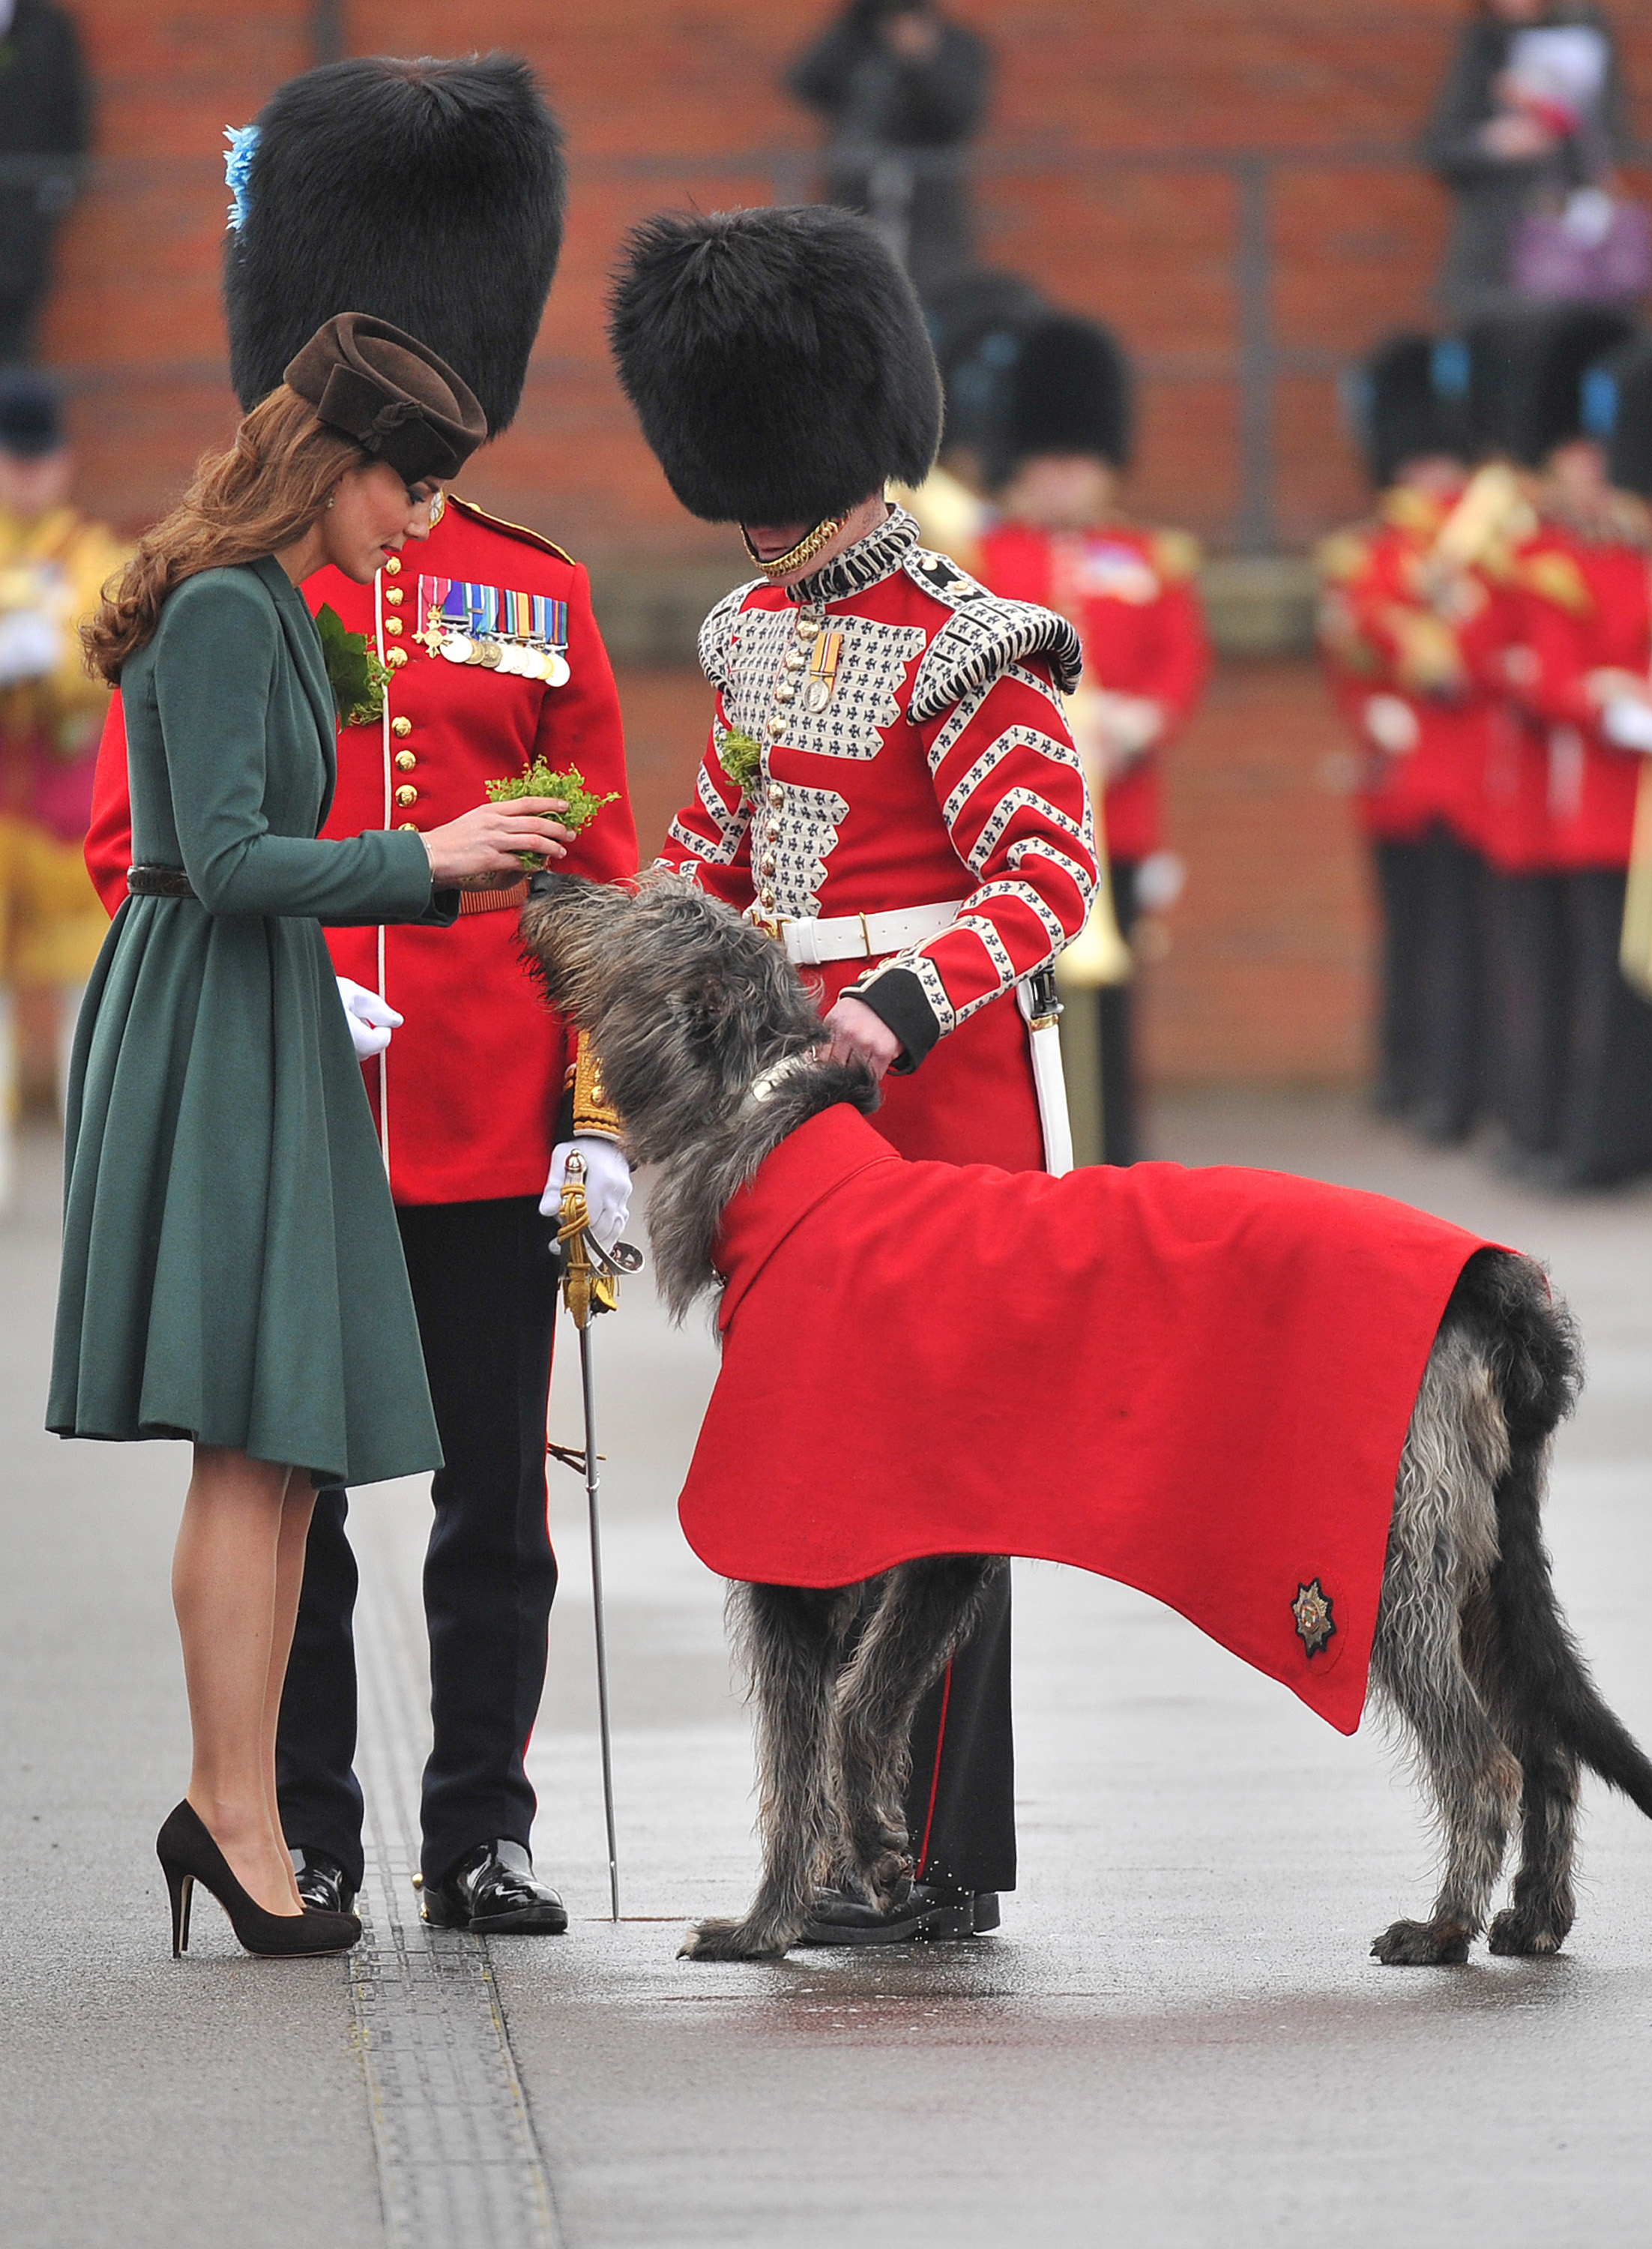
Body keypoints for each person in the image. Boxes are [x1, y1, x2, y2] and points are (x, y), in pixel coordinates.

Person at [82, 55, 639, 1936]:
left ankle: (477, 1823)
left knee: (494, 1513)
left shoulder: (532, 597)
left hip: (485, 1106)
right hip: (297, 1099)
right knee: (294, 1502)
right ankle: (298, 1822)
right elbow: (134, 841)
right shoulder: (233, 589)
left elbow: (598, 882)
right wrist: (308, 981)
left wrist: (599, 1117)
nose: (417, 506)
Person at [610, 202, 1094, 1941]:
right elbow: (710, 855)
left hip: (938, 1107)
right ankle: (825, 1830)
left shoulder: (978, 643)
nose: (755, 510)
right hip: (785, 1120)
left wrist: (892, 1000)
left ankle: (926, 1849)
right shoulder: (749, 634)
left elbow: (1045, 887)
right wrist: (618, 1057)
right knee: (818, 1463)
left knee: (944, 1482)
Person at [975, 314, 1212, 1164]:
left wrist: (1140, 721)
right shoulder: (986, 558)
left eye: (1077, 462)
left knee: (1116, 1005)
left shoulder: (1148, 556)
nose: (1064, 479)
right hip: (1024, 814)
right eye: (1050, 463)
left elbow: (1178, 659)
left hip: (1124, 810)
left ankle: (1113, 1154)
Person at [1512, 337, 1652, 1188]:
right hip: (1611, 808)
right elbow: (1554, 683)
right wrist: (1621, 701)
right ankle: (1603, 1146)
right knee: (1614, 991)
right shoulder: (1584, 571)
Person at [1454, 305, 1633, 1171]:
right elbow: (1481, 655)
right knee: (1534, 975)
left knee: (1581, 976)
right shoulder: (1519, 551)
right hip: (1525, 794)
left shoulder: (1619, 550)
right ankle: (1535, 1125)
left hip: (1585, 792)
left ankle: (1579, 1129)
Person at [1318, 334, 1493, 1139]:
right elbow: (1352, 649)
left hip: (1476, 779)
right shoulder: (1370, 552)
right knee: (1413, 939)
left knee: (1468, 943)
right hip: (1400, 779)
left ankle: (1463, 1089)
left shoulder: (1486, 543)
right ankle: (1412, 1075)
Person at [0, 371, 124, 1206]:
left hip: (62, 819)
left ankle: (96, 1185)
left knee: (92, 1005)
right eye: (15, 459)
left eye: (40, 460)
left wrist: (47, 644)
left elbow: (103, 649)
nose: (28, 475)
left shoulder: (95, 555)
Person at [1423, 1, 1627, 322]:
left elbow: (1611, 133)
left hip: (1573, 238)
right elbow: (1442, 145)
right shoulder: (1484, 46)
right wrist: (1493, 143)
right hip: (1495, 244)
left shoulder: (1585, 34)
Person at [787, 0, 992, 291]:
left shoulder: (957, 45)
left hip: (926, 204)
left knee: (931, 292)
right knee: (847, 286)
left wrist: (920, 61)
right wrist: (856, 17)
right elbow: (805, 80)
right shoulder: (858, 40)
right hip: (854, 194)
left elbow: (957, 116)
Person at [0, 0, 88, 364]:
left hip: (21, 230)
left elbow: (71, 118)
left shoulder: (48, 27)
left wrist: (49, 196)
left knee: (15, 346)